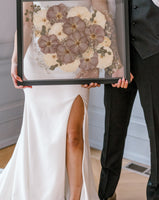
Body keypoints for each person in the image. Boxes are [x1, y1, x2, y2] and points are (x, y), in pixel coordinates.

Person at [0, 0, 115, 199]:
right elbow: (26, 21)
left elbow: (103, 17)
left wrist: (96, 62)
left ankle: (75, 197)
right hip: (39, 64)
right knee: (42, 135)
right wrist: (15, 60)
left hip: (77, 63)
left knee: (74, 136)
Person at [98, 0, 159, 200]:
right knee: (113, 128)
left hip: (158, 52)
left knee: (158, 130)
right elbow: (106, 7)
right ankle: (105, 193)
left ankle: (157, 196)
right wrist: (112, 55)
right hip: (119, 54)